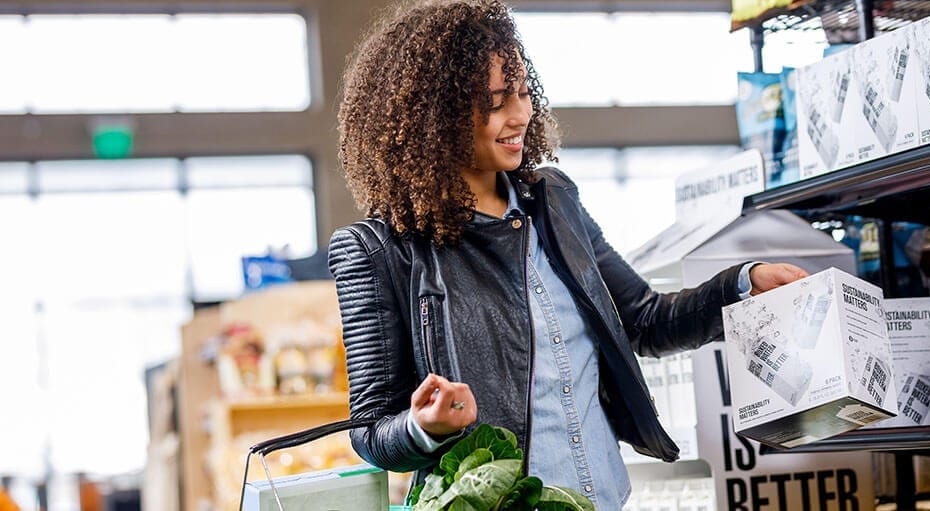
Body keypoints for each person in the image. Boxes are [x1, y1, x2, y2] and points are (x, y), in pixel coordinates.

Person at [327, 1, 809, 508]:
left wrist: (742, 286)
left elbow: (645, 322)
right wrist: (425, 427)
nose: (519, 115)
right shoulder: (378, 249)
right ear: (434, 116)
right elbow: (372, 429)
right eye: (494, 102)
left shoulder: (553, 202)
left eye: (522, 93)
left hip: (605, 497)